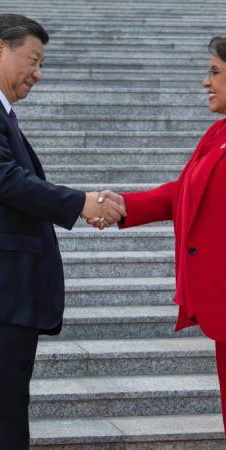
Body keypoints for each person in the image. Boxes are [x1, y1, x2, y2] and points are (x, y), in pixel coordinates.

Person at [0, 14, 125, 449]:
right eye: (33, 60)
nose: (38, 73)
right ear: (0, 49)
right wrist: (81, 202)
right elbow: (4, 180)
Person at [100, 35, 226, 435]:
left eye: (216, 72)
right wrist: (125, 206)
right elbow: (184, 190)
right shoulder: (217, 134)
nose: (206, 82)